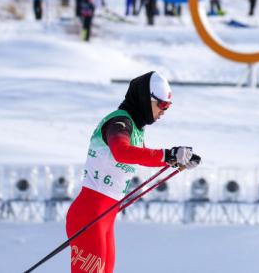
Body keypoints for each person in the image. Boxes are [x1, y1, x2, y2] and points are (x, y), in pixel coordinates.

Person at [65, 71, 200, 273]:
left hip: (105, 216)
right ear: (146, 99)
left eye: (168, 106)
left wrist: (175, 159)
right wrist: (167, 155)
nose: (164, 111)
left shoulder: (136, 129)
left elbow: (143, 155)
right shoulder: (119, 122)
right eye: (162, 105)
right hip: (89, 213)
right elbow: (121, 152)